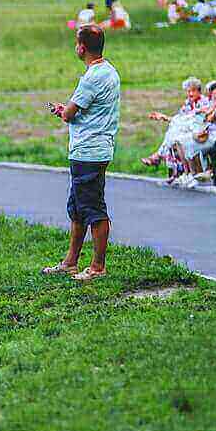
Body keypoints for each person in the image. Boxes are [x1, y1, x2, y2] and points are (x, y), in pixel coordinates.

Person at [44, 24, 120, 282]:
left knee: (93, 209)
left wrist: (61, 110)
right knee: (77, 208)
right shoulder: (109, 71)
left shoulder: (92, 77)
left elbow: (69, 114)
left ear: (82, 47)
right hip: (93, 148)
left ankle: (98, 266)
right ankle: (70, 262)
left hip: (89, 150)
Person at [141, 77, 208, 182]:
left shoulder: (204, 102)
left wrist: (167, 118)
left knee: (174, 135)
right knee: (173, 134)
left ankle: (159, 157)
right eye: (188, 91)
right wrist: (164, 117)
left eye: (193, 91)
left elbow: (195, 119)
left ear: (199, 91)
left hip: (198, 132)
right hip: (187, 129)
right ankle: (178, 173)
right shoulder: (188, 104)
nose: (190, 94)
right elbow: (179, 119)